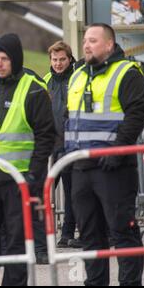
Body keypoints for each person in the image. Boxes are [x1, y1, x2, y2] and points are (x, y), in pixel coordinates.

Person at [0, 34, 55, 286]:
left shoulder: (34, 89)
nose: (0, 63)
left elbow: (45, 137)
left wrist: (34, 175)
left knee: (17, 245)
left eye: (4, 58)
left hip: (19, 181)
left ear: (15, 59)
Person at [64, 23, 144, 286]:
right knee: (90, 236)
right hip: (80, 168)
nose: (86, 45)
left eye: (93, 40)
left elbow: (137, 114)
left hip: (114, 169)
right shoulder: (78, 74)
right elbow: (70, 118)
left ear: (109, 45)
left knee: (122, 232)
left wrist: (116, 151)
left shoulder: (126, 72)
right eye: (85, 41)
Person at [43, 41, 82, 249]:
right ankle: (42, 236)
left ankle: (67, 233)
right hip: (51, 144)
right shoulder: (46, 80)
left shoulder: (77, 78)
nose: (58, 64)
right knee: (44, 191)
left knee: (71, 192)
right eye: (54, 60)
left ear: (69, 59)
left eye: (62, 60)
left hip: (71, 143)